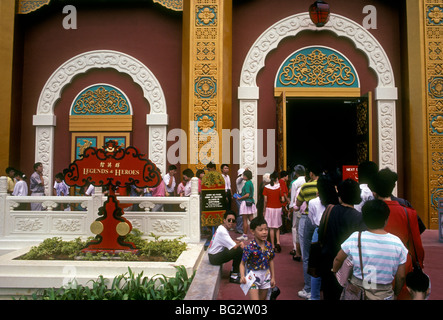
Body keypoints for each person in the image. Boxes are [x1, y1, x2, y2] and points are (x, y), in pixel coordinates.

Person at [332, 199, 408, 300]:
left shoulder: (356, 237)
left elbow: (338, 258)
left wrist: (335, 271)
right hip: (384, 293)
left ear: (364, 218)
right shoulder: (397, 243)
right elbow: (401, 276)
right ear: (386, 219)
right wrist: (396, 293)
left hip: (357, 292)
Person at [370, 167, 425, 300]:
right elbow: (416, 245)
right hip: (401, 266)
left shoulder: (369, 212)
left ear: (375, 190)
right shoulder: (408, 212)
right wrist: (419, 265)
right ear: (393, 186)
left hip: (373, 267)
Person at [318, 178, 366, 300]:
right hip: (350, 266)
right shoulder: (359, 217)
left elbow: (321, 233)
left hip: (329, 260)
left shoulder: (329, 210)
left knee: (329, 294)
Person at [306, 173, 339, 300]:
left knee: (315, 267)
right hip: (334, 233)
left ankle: (314, 296)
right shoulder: (337, 201)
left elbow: (312, 220)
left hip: (318, 232)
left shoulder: (313, 202)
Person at [295, 163, 321, 299]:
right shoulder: (326, 184)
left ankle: (308, 288)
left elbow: (298, 203)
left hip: (308, 218)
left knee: (307, 255)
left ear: (311, 173)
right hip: (324, 219)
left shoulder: (305, 186)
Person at [240, 216, 275, 300]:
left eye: (266, 229)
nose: (264, 232)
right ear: (252, 231)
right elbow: (242, 263)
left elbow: (271, 261)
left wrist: (273, 277)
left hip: (266, 275)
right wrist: (242, 276)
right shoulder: (249, 248)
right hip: (253, 277)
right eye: (260, 230)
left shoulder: (269, 245)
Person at [208, 210, 245, 284]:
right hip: (214, 258)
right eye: (229, 220)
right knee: (239, 250)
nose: (231, 222)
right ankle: (234, 276)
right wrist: (240, 243)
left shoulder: (221, 228)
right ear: (224, 220)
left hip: (213, 255)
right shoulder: (223, 232)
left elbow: (231, 241)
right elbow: (234, 247)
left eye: (233, 221)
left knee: (236, 248)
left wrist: (239, 242)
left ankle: (234, 270)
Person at [263, 172, 283, 252]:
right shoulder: (279, 187)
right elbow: (282, 199)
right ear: (277, 179)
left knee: (271, 227)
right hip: (278, 208)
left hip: (269, 208)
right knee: (277, 227)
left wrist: (264, 210)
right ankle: (278, 242)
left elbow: (265, 200)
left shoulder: (266, 187)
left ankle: (273, 246)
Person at [288, 164, 306, 260]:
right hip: (307, 207)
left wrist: (291, 209)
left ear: (296, 173)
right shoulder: (306, 180)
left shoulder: (295, 183)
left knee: (295, 227)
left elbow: (293, 198)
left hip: (297, 207)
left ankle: (296, 248)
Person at [236, 169, 256, 241]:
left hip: (245, 202)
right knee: (251, 218)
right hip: (250, 202)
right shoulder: (250, 182)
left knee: (245, 219)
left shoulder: (247, 183)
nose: (243, 176)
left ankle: (245, 235)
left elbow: (247, 194)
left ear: (246, 176)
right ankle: (257, 232)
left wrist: (240, 198)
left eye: (244, 175)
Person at [234, 168, 246, 235]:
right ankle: (239, 228)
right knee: (241, 213)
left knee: (241, 213)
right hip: (239, 196)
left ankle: (239, 227)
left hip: (242, 196)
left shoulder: (243, 180)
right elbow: (241, 178)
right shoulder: (238, 179)